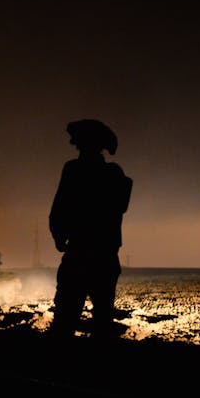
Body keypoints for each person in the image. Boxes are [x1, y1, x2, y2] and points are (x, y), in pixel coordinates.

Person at [48, 119, 132, 338]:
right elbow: (120, 207)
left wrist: (59, 236)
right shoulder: (114, 174)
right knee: (102, 320)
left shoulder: (73, 169)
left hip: (79, 254)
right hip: (104, 257)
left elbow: (59, 209)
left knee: (65, 320)